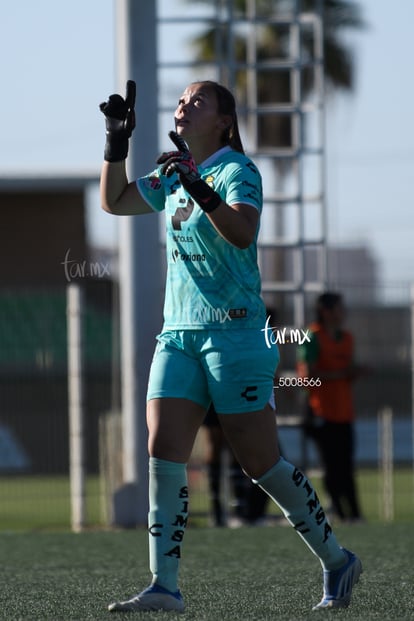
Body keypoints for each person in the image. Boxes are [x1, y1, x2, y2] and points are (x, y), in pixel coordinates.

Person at [99, 79, 362, 613]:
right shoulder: (172, 173)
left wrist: (199, 187)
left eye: (199, 100)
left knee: (260, 464)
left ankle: (337, 560)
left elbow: (241, 233)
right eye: (181, 99)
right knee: (162, 451)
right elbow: (116, 201)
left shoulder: (238, 171)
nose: (183, 105)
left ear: (224, 121)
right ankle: (164, 586)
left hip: (238, 335)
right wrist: (115, 143)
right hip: (178, 336)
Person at [297, 292, 365, 523]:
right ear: (326, 311)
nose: (343, 312)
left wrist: (354, 373)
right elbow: (308, 376)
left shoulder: (347, 337)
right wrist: (339, 374)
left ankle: (355, 514)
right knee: (331, 465)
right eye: (339, 307)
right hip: (320, 411)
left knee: (346, 465)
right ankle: (339, 511)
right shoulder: (312, 336)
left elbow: (348, 372)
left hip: (344, 411)